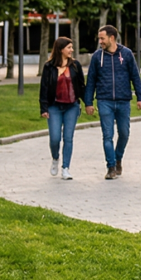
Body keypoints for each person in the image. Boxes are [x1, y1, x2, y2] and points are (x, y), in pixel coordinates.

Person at [84, 25, 141, 181]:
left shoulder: (126, 54)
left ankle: (118, 158)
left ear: (111, 38)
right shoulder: (97, 57)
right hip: (104, 101)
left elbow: (135, 77)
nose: (100, 42)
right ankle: (111, 167)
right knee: (107, 136)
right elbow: (90, 80)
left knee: (124, 133)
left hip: (123, 100)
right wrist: (88, 102)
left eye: (102, 38)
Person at [38, 37, 85, 180]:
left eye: (72, 47)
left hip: (72, 106)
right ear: (60, 49)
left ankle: (66, 168)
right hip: (54, 107)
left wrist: (88, 103)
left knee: (68, 138)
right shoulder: (49, 67)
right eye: (69, 47)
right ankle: (55, 158)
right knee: (55, 138)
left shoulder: (75, 65)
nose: (71, 50)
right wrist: (43, 108)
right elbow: (44, 88)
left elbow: (82, 86)